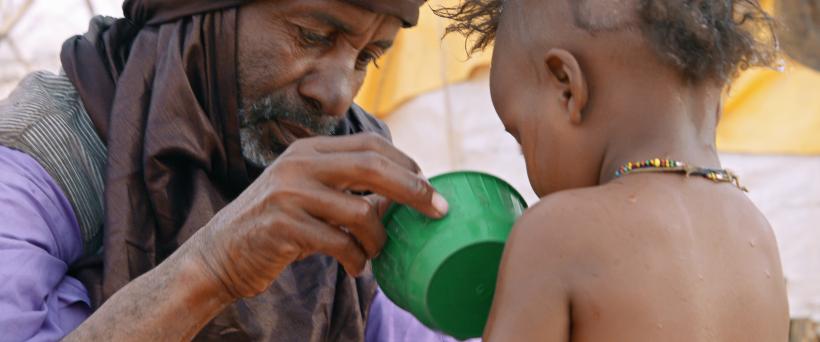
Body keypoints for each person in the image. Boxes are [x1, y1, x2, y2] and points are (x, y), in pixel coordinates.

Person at [0, 0, 459, 340]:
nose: (339, 96)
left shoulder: (348, 173)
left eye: (366, 58)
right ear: (206, 13)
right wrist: (215, 267)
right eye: (312, 36)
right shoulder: (44, 152)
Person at [437, 0, 791, 340]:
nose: (525, 161)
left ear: (566, 87)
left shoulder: (555, 234)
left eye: (520, 137)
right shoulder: (757, 231)